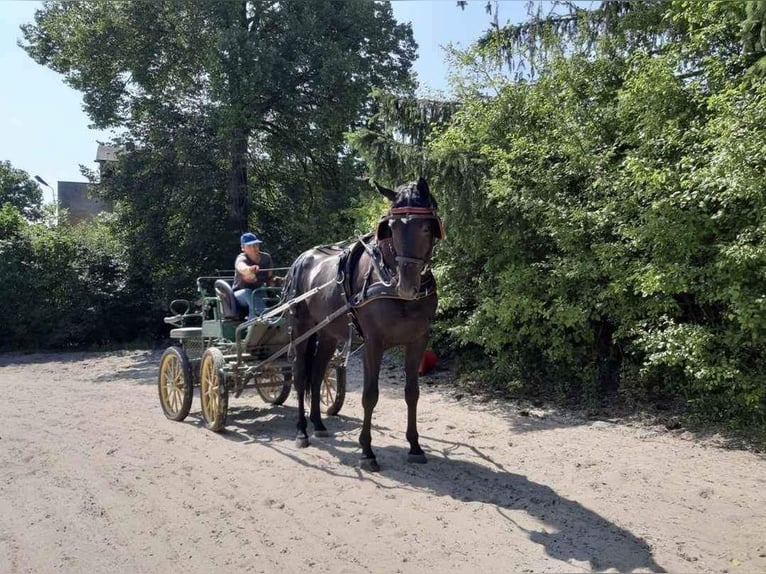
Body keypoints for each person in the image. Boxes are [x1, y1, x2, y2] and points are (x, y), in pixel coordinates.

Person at [233, 232, 283, 319]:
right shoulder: (242, 258)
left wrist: (276, 280)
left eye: (255, 245)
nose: (253, 248)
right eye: (249, 246)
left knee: (273, 297)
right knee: (249, 294)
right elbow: (241, 267)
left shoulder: (266, 258)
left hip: (258, 291)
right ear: (243, 248)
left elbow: (269, 278)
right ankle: (265, 318)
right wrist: (249, 269)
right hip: (240, 294)